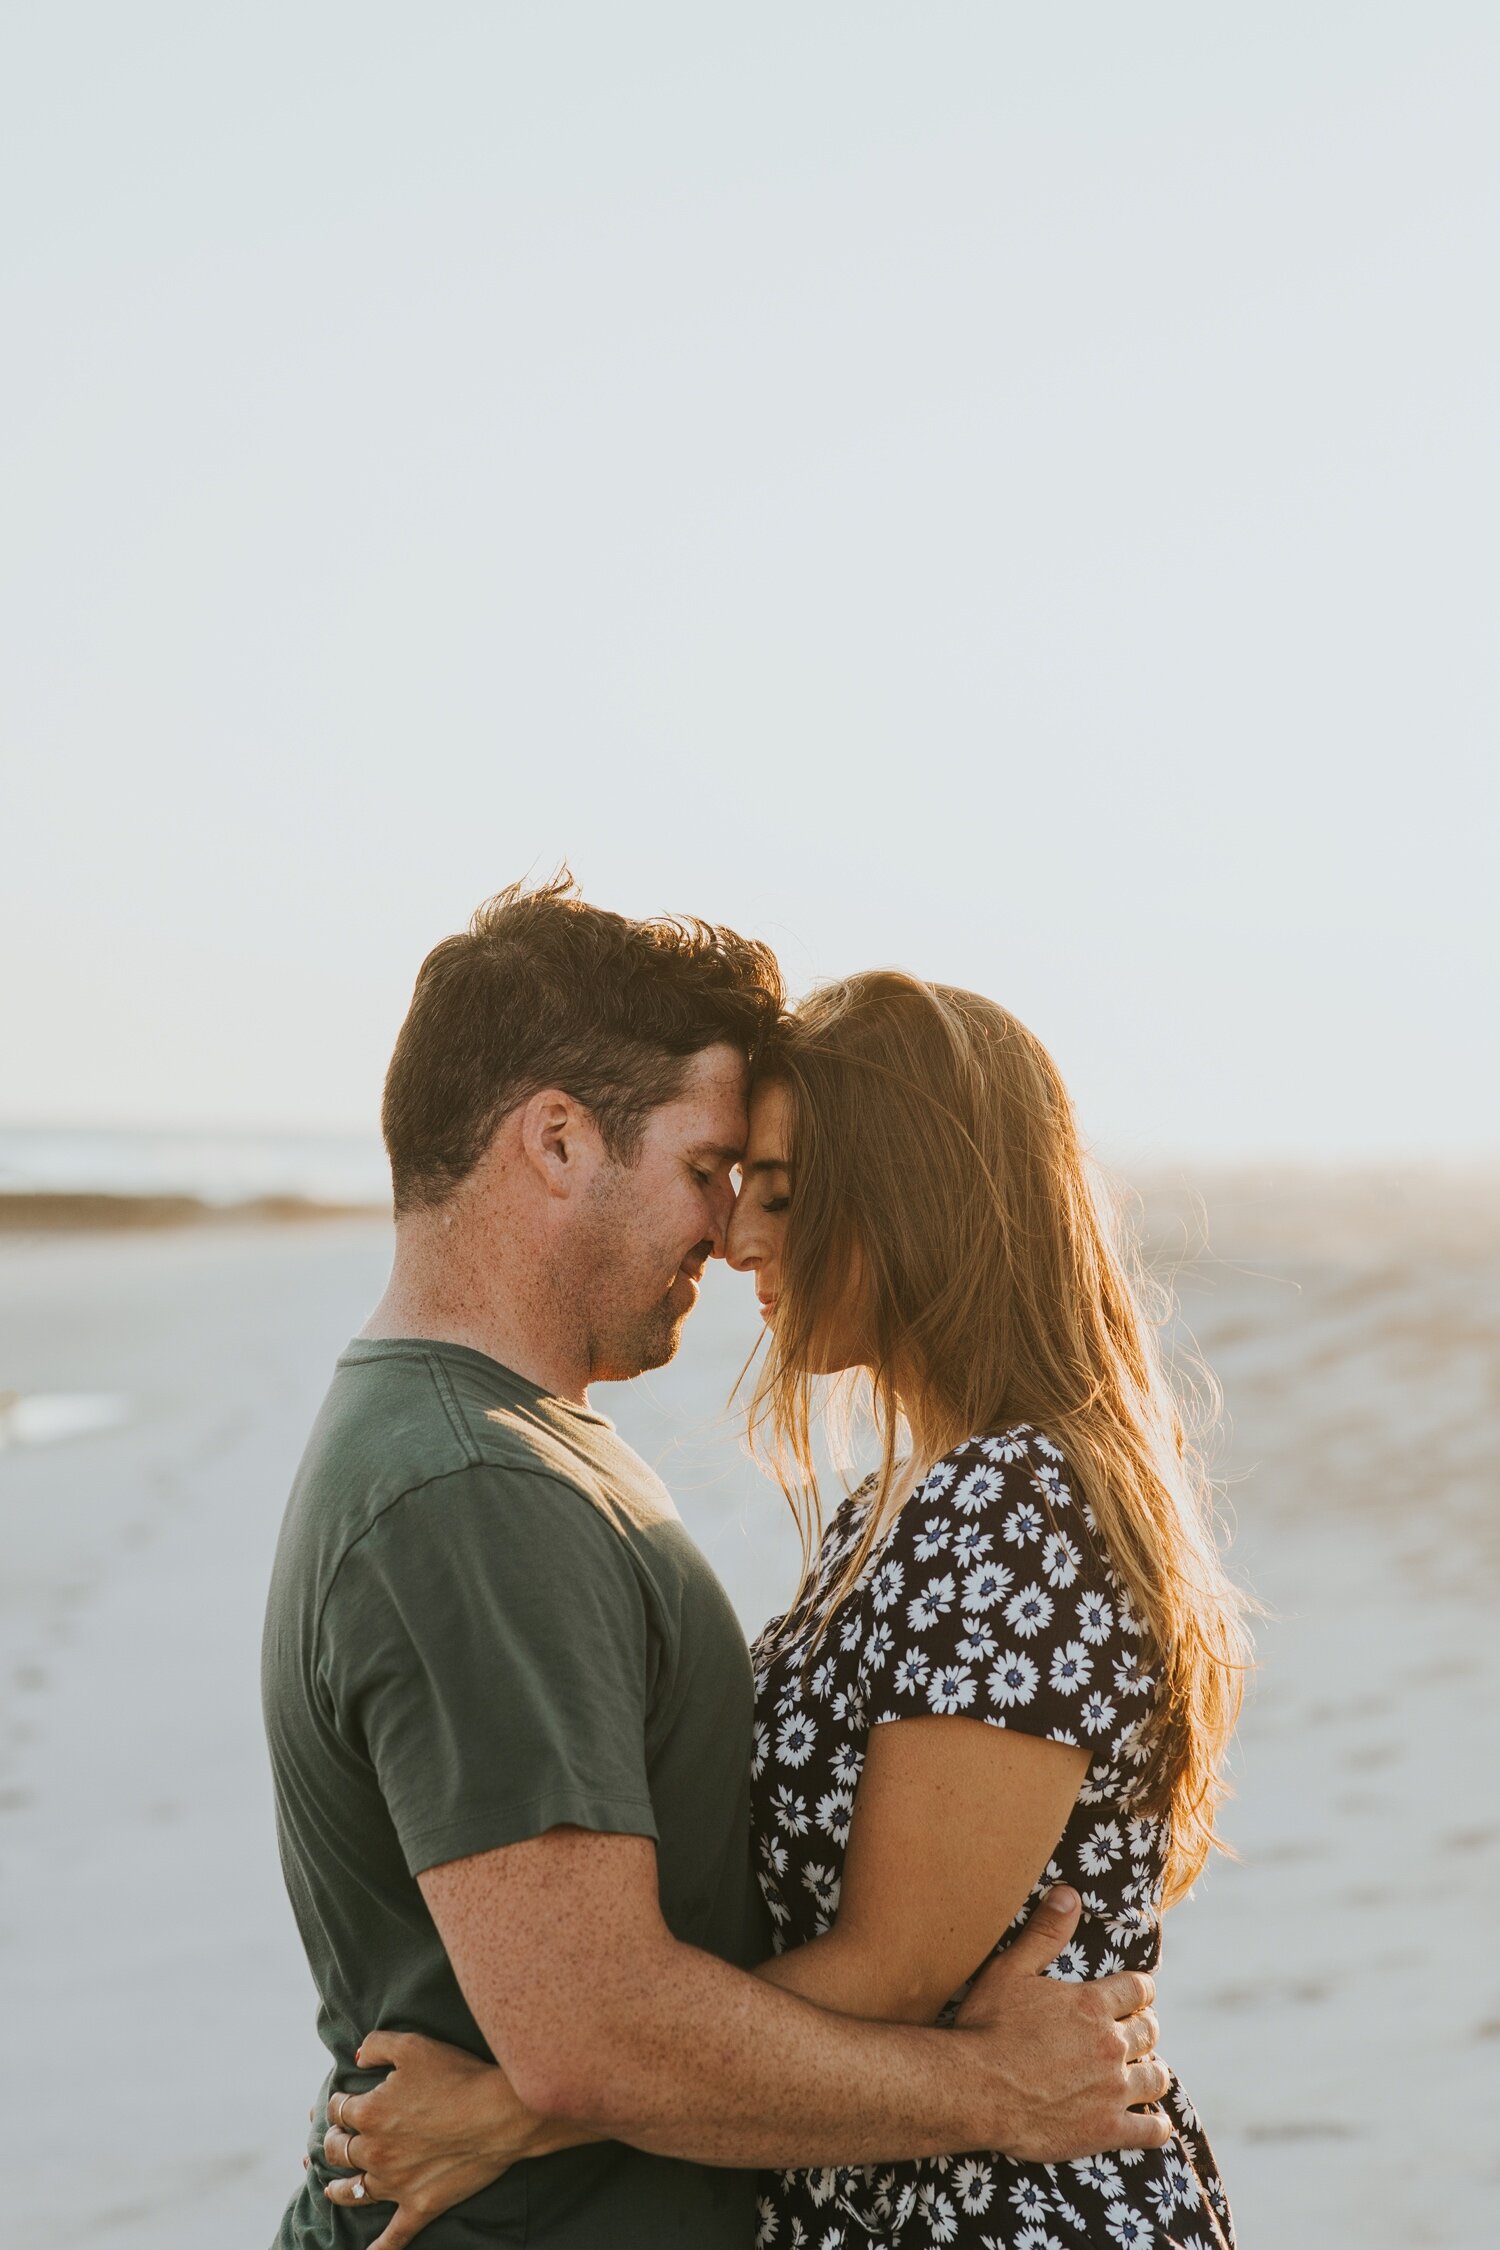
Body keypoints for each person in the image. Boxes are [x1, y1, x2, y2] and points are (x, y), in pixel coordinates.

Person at [263, 878, 1171, 2250]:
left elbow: (840, 1966)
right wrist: (991, 2083)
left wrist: (517, 2105)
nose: (735, 1232)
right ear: (557, 1142)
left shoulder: (978, 1502)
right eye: (713, 1174)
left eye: (775, 1191)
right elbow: (600, 2033)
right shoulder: (473, 1485)